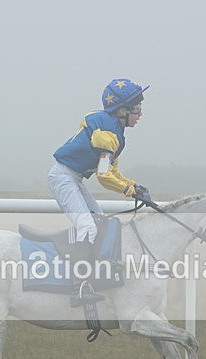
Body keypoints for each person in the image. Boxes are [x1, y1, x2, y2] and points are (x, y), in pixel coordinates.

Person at [48, 78, 153, 307]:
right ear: (122, 110)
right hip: (63, 177)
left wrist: (133, 186)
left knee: (100, 222)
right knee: (87, 226)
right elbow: (104, 177)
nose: (140, 114)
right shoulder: (107, 131)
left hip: (74, 178)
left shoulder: (116, 132)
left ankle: (96, 274)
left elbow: (112, 170)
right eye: (137, 109)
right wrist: (130, 191)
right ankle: (78, 288)